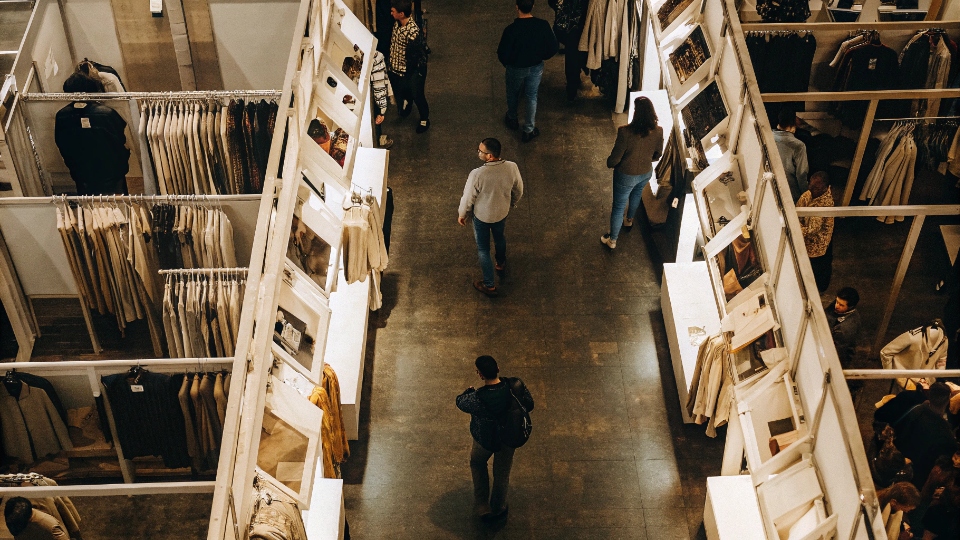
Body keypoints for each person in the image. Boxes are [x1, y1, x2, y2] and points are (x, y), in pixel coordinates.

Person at [455, 355, 534, 523]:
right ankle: (499, 507)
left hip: (485, 439)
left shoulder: (478, 398)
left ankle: (483, 506)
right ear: (498, 368)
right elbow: (530, 404)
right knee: (502, 472)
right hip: (509, 437)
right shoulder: (515, 385)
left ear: (480, 374)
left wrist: (468, 391)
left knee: (477, 463)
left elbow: (460, 403)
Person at [458, 138, 524, 296]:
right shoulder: (512, 167)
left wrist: (463, 214)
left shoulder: (477, 174)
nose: (478, 153)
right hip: (501, 212)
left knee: (483, 249)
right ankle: (500, 263)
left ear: (489, 156)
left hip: (482, 216)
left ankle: (489, 284)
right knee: (499, 237)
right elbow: (519, 189)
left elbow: (468, 198)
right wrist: (512, 203)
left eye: (481, 151)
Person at [601, 96, 663, 250]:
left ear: (636, 113)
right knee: (636, 195)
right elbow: (658, 154)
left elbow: (614, 159)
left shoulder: (625, 132)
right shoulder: (658, 131)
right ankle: (629, 220)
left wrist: (610, 163)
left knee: (618, 206)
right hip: (645, 173)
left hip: (625, 175)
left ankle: (612, 240)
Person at [54, 72, 130, 195]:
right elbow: (120, 141)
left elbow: (62, 145)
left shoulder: (62, 116)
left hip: (82, 174)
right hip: (112, 173)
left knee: (89, 205)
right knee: (117, 204)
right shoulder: (107, 114)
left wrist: (73, 167)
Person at [497, 0, 558, 143]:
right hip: (536, 66)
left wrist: (509, 64)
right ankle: (528, 129)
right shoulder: (542, 25)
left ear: (517, 7)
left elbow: (502, 53)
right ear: (533, 6)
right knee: (531, 96)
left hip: (515, 67)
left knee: (513, 93)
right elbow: (553, 47)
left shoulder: (511, 30)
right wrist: (541, 57)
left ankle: (512, 118)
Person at [893, 382, 957, 490]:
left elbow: (900, 432)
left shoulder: (916, 410)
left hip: (902, 461)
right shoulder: (946, 434)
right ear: (948, 399)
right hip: (921, 475)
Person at [387, 0, 430, 133]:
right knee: (404, 91)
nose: (391, 13)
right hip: (397, 70)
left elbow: (416, 57)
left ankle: (424, 119)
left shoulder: (413, 32)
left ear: (401, 13)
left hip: (411, 72)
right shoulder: (397, 23)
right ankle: (408, 103)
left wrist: (411, 73)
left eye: (393, 11)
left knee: (417, 94)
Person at [797, 171, 834, 292]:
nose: (812, 190)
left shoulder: (824, 205)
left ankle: (818, 289)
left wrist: (795, 227)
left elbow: (812, 229)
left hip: (818, 245)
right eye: (810, 186)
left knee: (818, 269)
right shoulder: (809, 194)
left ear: (825, 188)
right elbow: (797, 211)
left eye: (816, 188)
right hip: (806, 240)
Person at [772, 107, 809, 201]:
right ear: (794, 124)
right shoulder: (798, 146)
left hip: (770, 186)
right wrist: (806, 195)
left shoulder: (767, 137)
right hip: (789, 191)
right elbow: (801, 174)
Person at [824, 287, 861, 368]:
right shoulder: (839, 307)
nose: (836, 306)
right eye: (837, 301)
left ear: (851, 307)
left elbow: (837, 353)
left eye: (841, 305)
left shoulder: (845, 329)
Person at [4, 497, 69, 540]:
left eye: (17, 523)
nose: (12, 527)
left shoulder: (48, 526)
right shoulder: (17, 517)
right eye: (9, 522)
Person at [370, 50, 394, 149]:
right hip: (376, 97)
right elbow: (381, 84)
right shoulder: (377, 57)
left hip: (374, 95)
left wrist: (382, 110)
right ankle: (379, 140)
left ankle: (379, 140)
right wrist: (382, 111)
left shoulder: (374, 59)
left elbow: (380, 83)